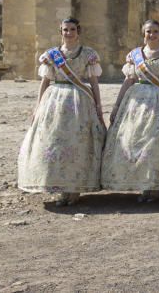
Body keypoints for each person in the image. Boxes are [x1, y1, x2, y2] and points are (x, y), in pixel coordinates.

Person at [18, 17, 105, 206]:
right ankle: (58, 189)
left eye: (72, 29)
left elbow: (94, 83)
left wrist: (98, 106)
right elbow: (45, 83)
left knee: (77, 144)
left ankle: (74, 189)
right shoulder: (51, 55)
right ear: (61, 32)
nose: (69, 33)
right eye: (65, 30)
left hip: (80, 103)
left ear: (78, 31)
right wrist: (37, 106)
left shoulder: (88, 54)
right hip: (54, 103)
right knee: (55, 144)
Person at [101, 20, 159, 202]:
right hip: (135, 103)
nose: (151, 35)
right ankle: (139, 183)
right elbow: (128, 81)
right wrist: (116, 105)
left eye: (154, 32)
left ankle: (153, 186)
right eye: (148, 32)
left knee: (154, 143)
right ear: (143, 34)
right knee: (133, 141)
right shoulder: (134, 56)